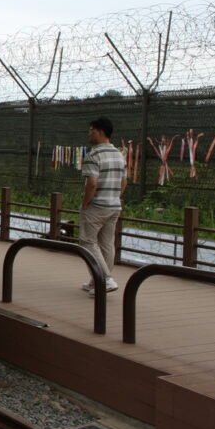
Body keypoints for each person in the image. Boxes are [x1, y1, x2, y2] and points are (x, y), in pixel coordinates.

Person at [79, 117, 127, 296]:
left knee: (87, 242)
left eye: (91, 130)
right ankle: (96, 280)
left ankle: (106, 279)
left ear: (99, 131)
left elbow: (91, 183)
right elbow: (124, 182)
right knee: (107, 244)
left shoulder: (93, 155)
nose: (89, 134)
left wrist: (86, 203)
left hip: (97, 206)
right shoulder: (119, 154)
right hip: (114, 206)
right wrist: (115, 197)